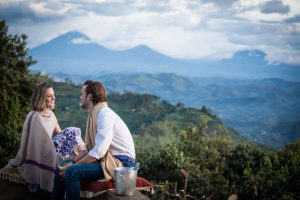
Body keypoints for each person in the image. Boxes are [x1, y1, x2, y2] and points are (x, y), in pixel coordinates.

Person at [51, 80, 136, 200]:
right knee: (61, 167)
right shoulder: (94, 115)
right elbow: (87, 149)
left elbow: (98, 152)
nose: (80, 97)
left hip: (121, 163)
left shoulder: (104, 115)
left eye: (82, 94)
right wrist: (72, 161)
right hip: (107, 160)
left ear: (89, 97)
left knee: (71, 172)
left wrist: (72, 166)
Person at [0, 82, 61, 192]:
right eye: (49, 96)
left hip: (50, 148)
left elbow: (59, 134)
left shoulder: (51, 115)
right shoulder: (35, 117)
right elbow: (38, 144)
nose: (53, 98)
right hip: (42, 153)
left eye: (53, 95)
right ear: (41, 98)